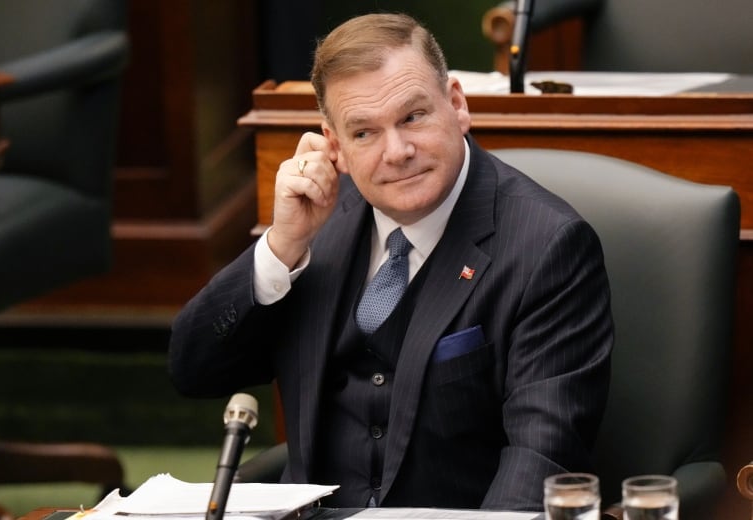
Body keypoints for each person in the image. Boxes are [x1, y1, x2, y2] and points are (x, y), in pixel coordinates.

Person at [169, 12, 613, 512]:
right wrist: (281, 249)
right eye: (364, 133)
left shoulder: (548, 245)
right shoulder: (321, 222)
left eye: (413, 117)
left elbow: (542, 459)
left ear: (457, 105)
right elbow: (193, 371)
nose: (397, 151)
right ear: (333, 144)